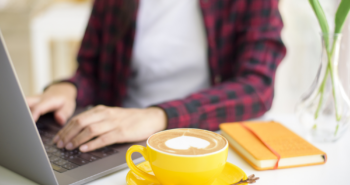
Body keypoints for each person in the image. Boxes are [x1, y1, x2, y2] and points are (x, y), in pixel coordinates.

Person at [26, 0, 286, 153]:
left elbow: (257, 86)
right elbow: (92, 72)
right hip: (119, 140)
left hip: (203, 142)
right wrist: (68, 88)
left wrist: (158, 116)